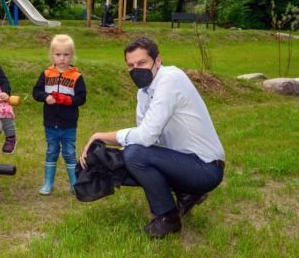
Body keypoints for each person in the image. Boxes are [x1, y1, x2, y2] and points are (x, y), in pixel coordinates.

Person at [80, 37, 225, 238]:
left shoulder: (170, 78)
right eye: (130, 66)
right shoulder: (144, 93)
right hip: (182, 162)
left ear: (157, 61)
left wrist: (100, 136)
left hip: (206, 168)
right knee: (123, 159)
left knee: (134, 155)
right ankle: (187, 194)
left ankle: (168, 219)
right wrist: (108, 157)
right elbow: (146, 139)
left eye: (142, 63)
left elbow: (145, 137)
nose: (135, 70)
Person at [33, 34, 86, 195]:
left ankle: (74, 183)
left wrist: (69, 100)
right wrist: (45, 97)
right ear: (52, 55)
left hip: (69, 123)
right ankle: (48, 182)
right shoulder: (46, 74)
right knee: (52, 150)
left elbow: (82, 98)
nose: (62, 58)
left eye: (66, 54)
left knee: (69, 152)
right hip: (50, 123)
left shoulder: (76, 76)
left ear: (72, 55)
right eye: (58, 54)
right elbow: (36, 92)